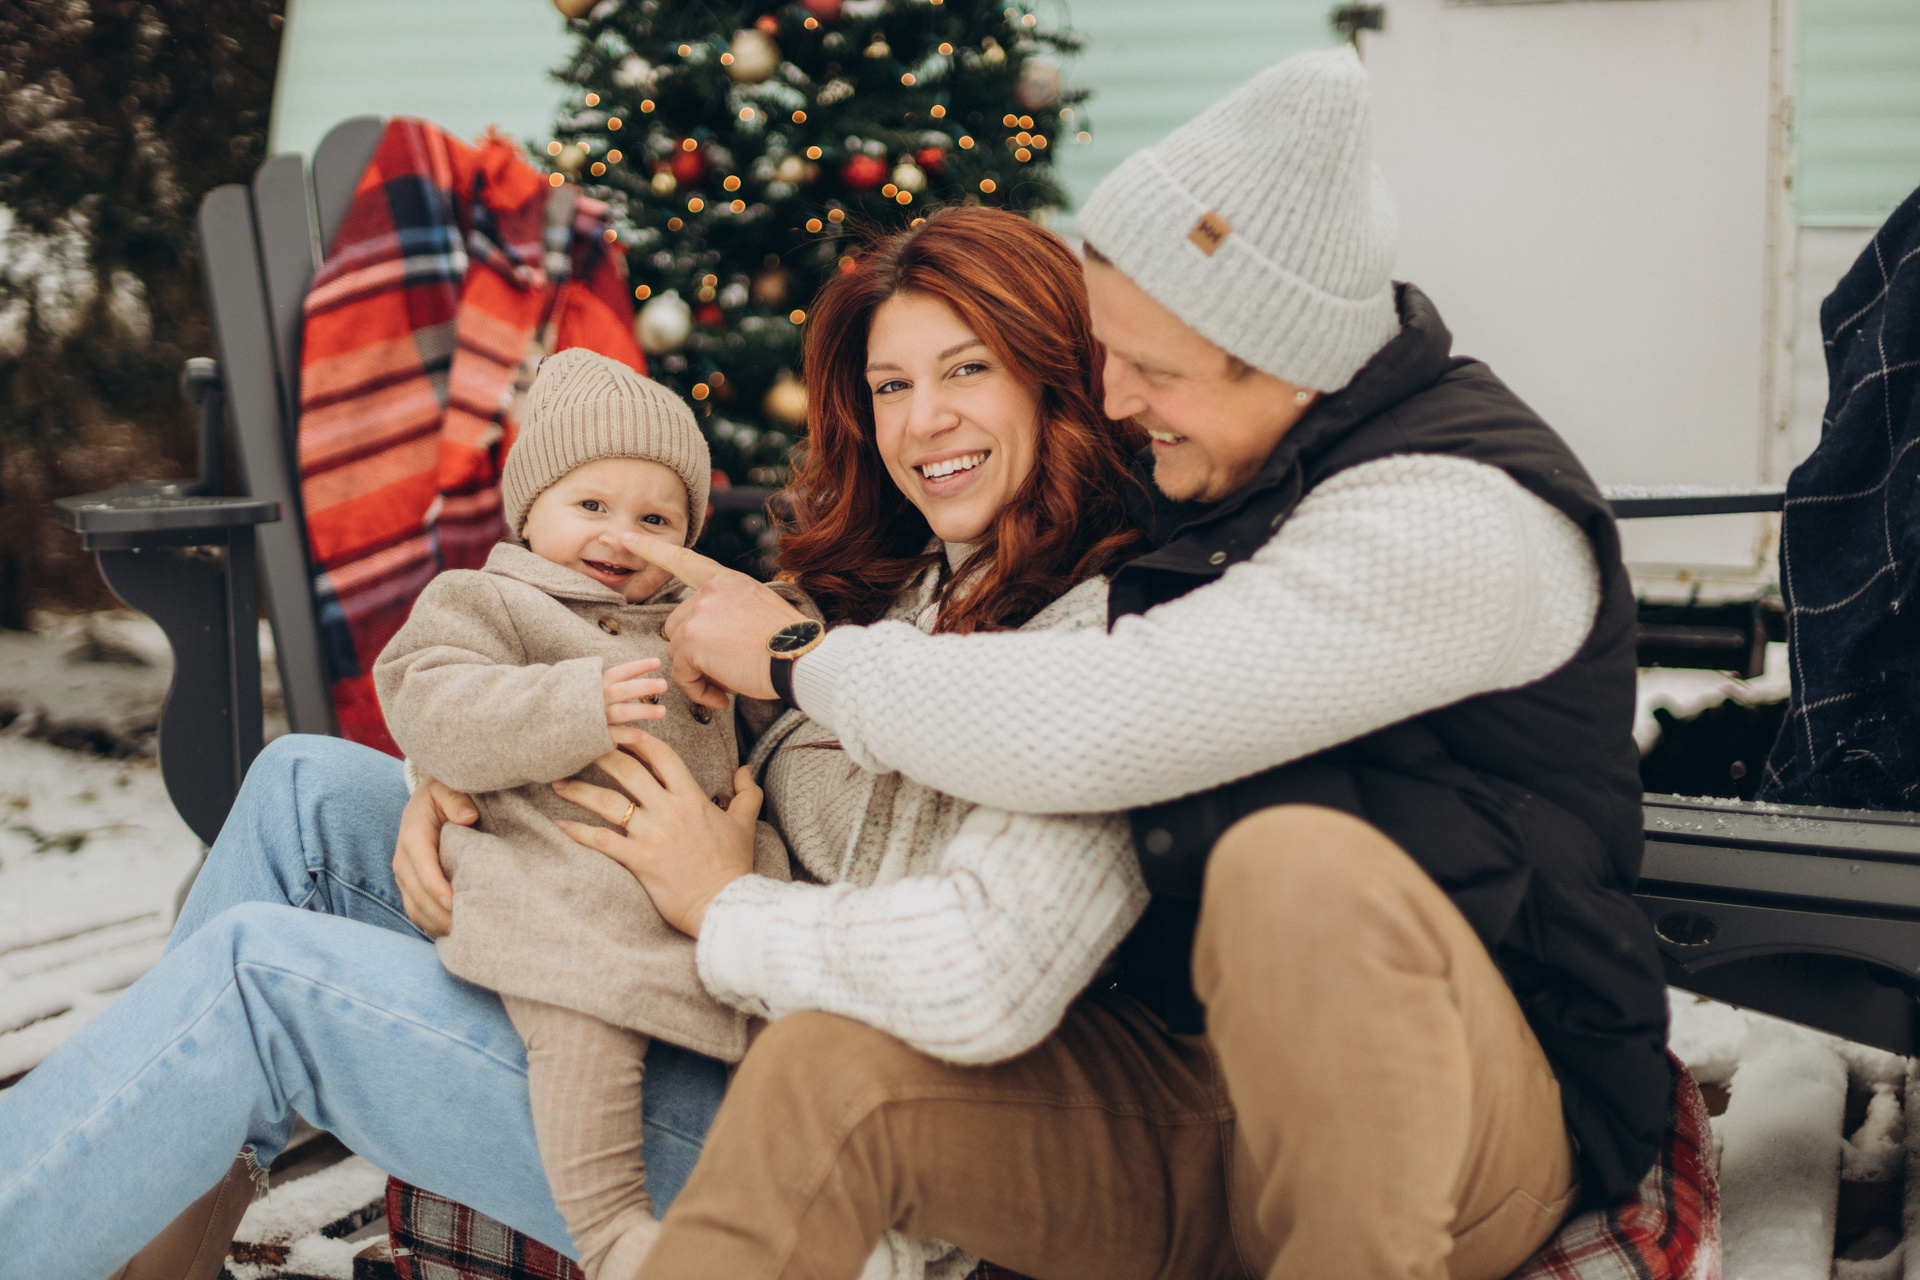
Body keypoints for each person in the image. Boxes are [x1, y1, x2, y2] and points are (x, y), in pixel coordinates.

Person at [609, 48, 1669, 1280]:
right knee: (826, 1070)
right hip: (1200, 1088)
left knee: (1295, 865)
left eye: (1151, 369)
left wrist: (799, 662)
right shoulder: (1206, 488)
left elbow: (1099, 719)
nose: (1111, 400)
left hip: (1471, 1111)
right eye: (1106, 354)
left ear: (1283, 354)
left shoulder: (1453, 517)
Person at [0, 206, 1148, 1280]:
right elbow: (611, 691)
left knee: (259, 974)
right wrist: (456, 772)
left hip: (800, 1124)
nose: (921, 420)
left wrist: (720, 894)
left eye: (967, 370)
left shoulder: (1103, 645)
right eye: (892, 385)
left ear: (1057, 374)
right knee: (303, 788)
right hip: (647, 946)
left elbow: (974, 971)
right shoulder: (911, 579)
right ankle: (135, 1251)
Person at [372, 349, 792, 1280]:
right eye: (591, 505)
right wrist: (573, 703)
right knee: (581, 1026)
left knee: (783, 1036)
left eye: (656, 519)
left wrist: (736, 679)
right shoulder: (487, 601)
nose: (622, 538)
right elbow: (428, 702)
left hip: (698, 898)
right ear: (531, 510)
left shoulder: (697, 616)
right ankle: (610, 1234)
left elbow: (777, 709)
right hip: (554, 890)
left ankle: (794, 1206)